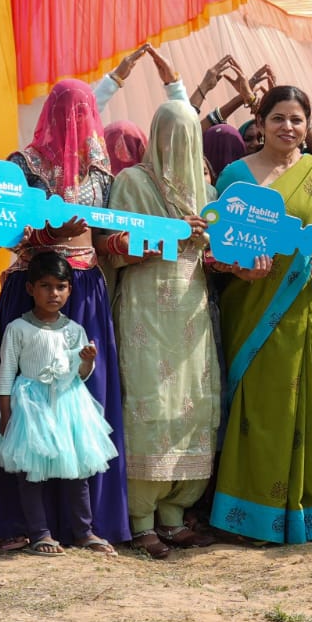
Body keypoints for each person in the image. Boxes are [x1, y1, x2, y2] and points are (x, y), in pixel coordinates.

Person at [0, 80, 130, 551]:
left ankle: (83, 524)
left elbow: (101, 237)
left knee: (82, 403)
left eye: (84, 111)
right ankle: (21, 523)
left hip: (83, 294)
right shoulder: (21, 166)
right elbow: (1, 233)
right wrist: (48, 236)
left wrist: (123, 244)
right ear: (50, 113)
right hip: (32, 290)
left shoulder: (101, 174)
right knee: (26, 405)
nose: (76, 120)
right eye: (67, 109)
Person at [210, 85, 312, 543]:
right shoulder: (235, 177)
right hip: (252, 308)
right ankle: (248, 516)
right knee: (256, 410)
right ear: (260, 122)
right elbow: (217, 248)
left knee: (302, 407)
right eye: (277, 118)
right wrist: (239, 268)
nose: (287, 127)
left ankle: (305, 514)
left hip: (307, 309)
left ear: (307, 126)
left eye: (296, 119)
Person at [107, 100, 221, 557]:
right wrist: (169, 234)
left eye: (187, 134)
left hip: (191, 307)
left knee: (191, 403)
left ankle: (174, 515)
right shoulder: (131, 182)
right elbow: (111, 245)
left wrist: (215, 248)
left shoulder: (207, 191)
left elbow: (216, 255)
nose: (177, 143)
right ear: (154, 135)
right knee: (148, 400)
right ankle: (140, 521)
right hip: (145, 304)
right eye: (169, 133)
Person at [0, 253, 119, 556]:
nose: (53, 293)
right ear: (30, 288)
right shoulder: (18, 328)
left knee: (76, 472)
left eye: (61, 286)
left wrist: (87, 361)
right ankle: (39, 533)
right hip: (29, 407)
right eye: (45, 286)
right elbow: (6, 371)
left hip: (69, 406)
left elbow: (82, 375)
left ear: (70, 290)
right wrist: (5, 412)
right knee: (30, 475)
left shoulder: (74, 330)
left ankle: (83, 531)